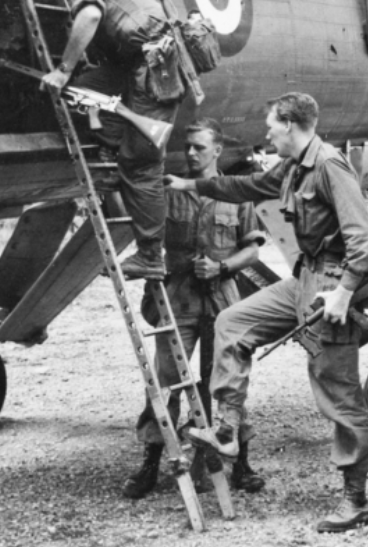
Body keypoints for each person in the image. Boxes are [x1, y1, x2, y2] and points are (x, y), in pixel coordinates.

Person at [164, 92, 368, 533]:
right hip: (304, 279)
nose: (266, 133)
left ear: (291, 125)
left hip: (329, 287)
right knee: (233, 322)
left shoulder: (329, 165)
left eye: (271, 126)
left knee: (337, 391)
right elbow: (245, 187)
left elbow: (365, 241)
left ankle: (356, 498)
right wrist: (190, 185)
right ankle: (226, 429)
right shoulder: (291, 167)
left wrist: (343, 293)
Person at [122, 118, 265, 499]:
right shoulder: (167, 190)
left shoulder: (236, 192)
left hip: (222, 301)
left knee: (226, 382)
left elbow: (251, 248)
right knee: (166, 380)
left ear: (217, 150)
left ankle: (242, 464)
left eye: (199, 147)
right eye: (187, 147)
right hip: (178, 297)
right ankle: (151, 462)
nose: (190, 153)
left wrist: (222, 266)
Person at [28, 0, 180, 280]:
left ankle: (150, 256)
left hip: (154, 69)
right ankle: (111, 145)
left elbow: (91, 15)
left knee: (142, 164)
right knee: (78, 94)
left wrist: (63, 69)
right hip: (131, 65)